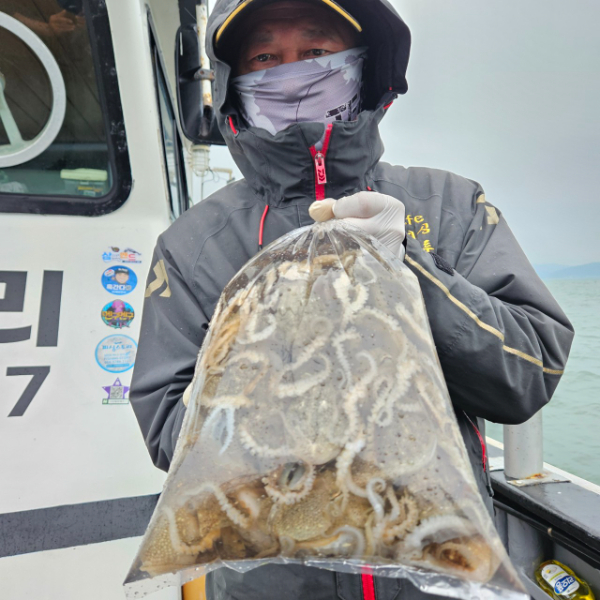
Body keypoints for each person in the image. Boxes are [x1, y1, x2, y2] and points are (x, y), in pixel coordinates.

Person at [130, 0, 574, 598]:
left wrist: (408, 270)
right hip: (274, 583)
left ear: (365, 66)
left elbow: (528, 374)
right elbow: (167, 431)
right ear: (234, 83)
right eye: (265, 58)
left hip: (439, 575)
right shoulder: (192, 245)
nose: (292, 74)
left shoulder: (449, 205)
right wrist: (275, 363)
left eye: (317, 52)